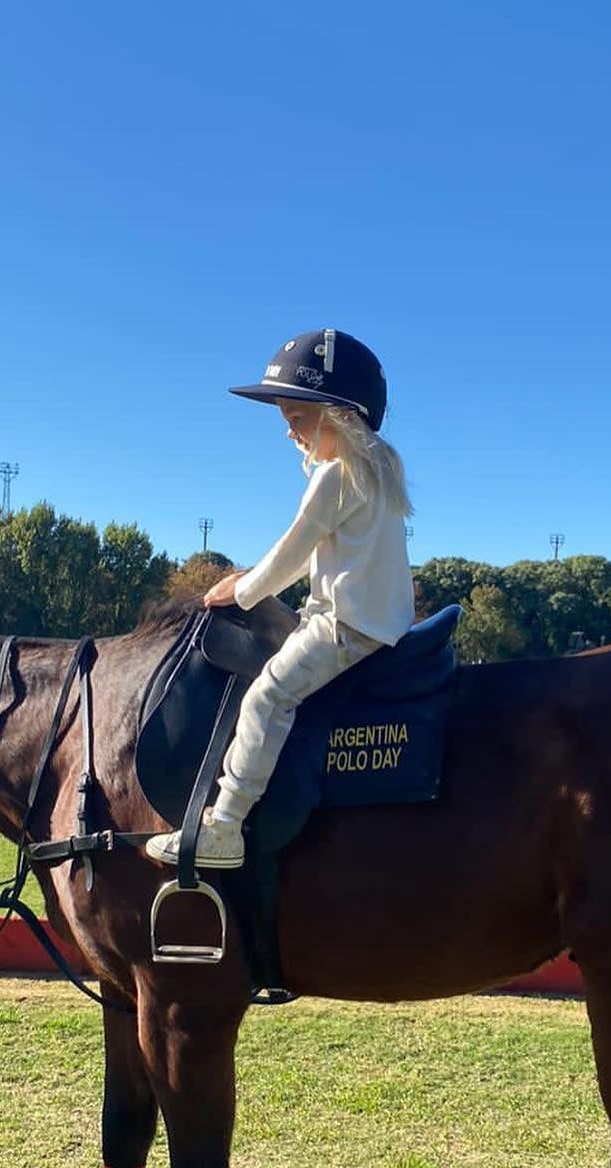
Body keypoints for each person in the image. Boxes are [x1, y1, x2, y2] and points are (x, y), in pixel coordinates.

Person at [146, 328, 415, 869]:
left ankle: (224, 826)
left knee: (268, 696)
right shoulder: (383, 467)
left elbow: (292, 553)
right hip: (381, 621)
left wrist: (241, 590)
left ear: (337, 414)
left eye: (296, 419)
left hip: (345, 625)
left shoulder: (335, 478)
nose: (290, 434)